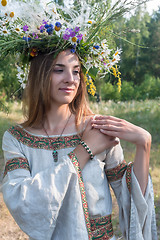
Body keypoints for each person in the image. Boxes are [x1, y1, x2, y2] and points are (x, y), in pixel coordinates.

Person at [0, 1, 158, 240]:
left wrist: (144, 144)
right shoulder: (17, 138)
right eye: (58, 70)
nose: (71, 79)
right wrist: (84, 151)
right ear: (40, 74)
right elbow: (23, 200)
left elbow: (130, 197)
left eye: (76, 71)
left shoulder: (97, 127)